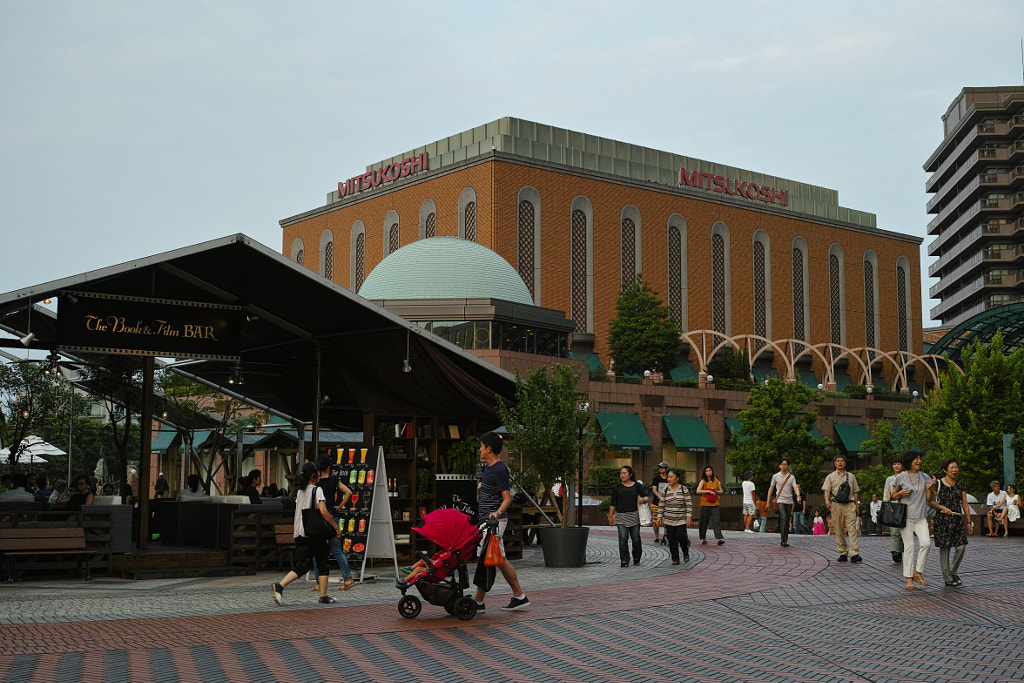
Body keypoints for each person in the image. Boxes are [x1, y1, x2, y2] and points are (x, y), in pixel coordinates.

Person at [472, 431, 529, 611]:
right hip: (486, 521)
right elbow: (493, 488)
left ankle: (479, 601)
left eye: (481, 446)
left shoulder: (500, 469)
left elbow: (507, 498)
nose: (479, 449)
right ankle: (519, 596)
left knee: (488, 558)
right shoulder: (488, 468)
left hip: (494, 522)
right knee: (497, 559)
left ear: (488, 449)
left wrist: (497, 513)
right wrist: (482, 487)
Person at [271, 461, 341, 606]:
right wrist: (335, 527)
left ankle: (281, 586)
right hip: (314, 533)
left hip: (299, 533)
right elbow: (323, 511)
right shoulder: (317, 490)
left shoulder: (299, 492)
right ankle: (323, 596)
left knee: (303, 565)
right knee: (323, 562)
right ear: (314, 475)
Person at [927, 458, 973, 586]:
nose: (954, 470)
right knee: (945, 548)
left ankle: (953, 571)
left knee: (961, 547)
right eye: (952, 467)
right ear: (945, 470)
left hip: (957, 519)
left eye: (956, 467)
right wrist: (943, 508)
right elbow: (930, 501)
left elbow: (964, 503)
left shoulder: (960, 484)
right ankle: (947, 578)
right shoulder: (938, 484)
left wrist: (969, 522)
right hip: (942, 520)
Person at [314, 455, 355, 591]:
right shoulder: (334, 480)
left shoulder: (316, 482)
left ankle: (319, 582)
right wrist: (340, 505)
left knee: (318, 551)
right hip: (332, 515)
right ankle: (348, 579)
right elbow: (348, 492)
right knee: (337, 550)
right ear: (329, 468)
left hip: (319, 516)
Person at [891, 451, 931, 590]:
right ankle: (908, 578)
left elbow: (929, 499)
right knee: (909, 547)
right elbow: (892, 496)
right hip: (906, 517)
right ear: (909, 461)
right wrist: (901, 493)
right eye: (916, 459)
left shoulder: (925, 477)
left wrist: (932, 489)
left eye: (920, 459)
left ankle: (918, 572)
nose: (919, 461)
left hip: (920, 517)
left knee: (926, 543)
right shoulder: (900, 477)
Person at [822, 455, 861, 563]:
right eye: (838, 461)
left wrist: (857, 506)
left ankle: (854, 553)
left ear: (845, 463)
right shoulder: (830, 476)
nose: (840, 463)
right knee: (838, 529)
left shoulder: (851, 476)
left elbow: (855, 492)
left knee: (852, 529)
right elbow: (826, 490)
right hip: (836, 505)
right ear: (834, 463)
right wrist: (827, 501)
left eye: (842, 461)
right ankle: (843, 552)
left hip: (849, 504)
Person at [609, 465, 649, 567]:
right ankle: (624, 560)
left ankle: (636, 557)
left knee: (636, 539)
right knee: (623, 538)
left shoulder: (637, 486)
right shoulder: (617, 488)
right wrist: (610, 516)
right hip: (620, 516)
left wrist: (643, 500)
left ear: (630, 474)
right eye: (621, 473)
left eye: (624, 473)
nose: (622, 475)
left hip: (634, 516)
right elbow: (613, 503)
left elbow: (646, 497)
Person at [656, 468, 692, 565]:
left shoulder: (684, 490)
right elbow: (662, 503)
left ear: (677, 478)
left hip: (681, 519)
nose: (669, 479)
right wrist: (659, 517)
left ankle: (685, 552)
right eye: (668, 477)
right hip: (669, 519)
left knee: (681, 536)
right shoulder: (666, 490)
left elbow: (688, 504)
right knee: (671, 539)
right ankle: (675, 558)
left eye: (671, 477)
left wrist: (689, 516)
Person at [765, 459, 799, 547]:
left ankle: (785, 539)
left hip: (789, 501)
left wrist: (798, 495)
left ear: (788, 466)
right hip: (780, 500)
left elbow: (795, 487)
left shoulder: (791, 477)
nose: (784, 466)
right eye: (782, 464)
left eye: (785, 464)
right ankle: (783, 540)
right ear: (779, 466)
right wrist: (768, 501)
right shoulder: (775, 476)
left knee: (787, 520)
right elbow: (771, 488)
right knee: (783, 517)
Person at [883, 457, 905, 563]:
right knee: (894, 531)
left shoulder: (907, 477)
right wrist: (885, 507)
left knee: (904, 531)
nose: (896, 466)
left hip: (905, 506)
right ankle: (895, 550)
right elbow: (886, 494)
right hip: (893, 507)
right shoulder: (889, 479)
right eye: (894, 464)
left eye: (898, 464)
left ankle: (900, 549)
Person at [696, 466, 725, 545]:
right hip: (705, 504)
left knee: (716, 521)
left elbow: (721, 491)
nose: (708, 472)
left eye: (710, 470)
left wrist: (715, 491)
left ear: (712, 471)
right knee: (704, 521)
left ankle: (718, 539)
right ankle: (703, 538)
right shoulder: (703, 481)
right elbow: (698, 491)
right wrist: (708, 491)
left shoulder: (716, 480)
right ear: (704, 473)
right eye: (707, 471)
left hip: (715, 503)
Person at [650, 462, 670, 545]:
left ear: (666, 469)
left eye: (662, 467)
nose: (660, 469)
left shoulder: (669, 478)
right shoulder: (656, 479)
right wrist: (661, 498)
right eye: (659, 467)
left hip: (668, 503)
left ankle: (667, 536)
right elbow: (654, 490)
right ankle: (657, 537)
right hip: (656, 503)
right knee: (655, 521)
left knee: (667, 521)